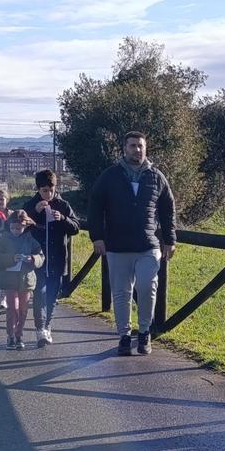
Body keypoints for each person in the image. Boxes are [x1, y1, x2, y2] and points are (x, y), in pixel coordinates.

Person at [87, 130, 176, 356]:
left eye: (140, 146)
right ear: (124, 149)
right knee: (121, 293)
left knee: (147, 287)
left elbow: (168, 209)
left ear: (146, 148)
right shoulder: (110, 176)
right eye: (133, 145)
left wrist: (169, 240)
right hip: (117, 245)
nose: (137, 149)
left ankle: (144, 332)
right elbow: (95, 206)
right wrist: (97, 237)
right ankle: (124, 336)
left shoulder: (156, 176)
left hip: (148, 245)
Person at [24, 169, 79, 347]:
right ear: (38, 189)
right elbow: (18, 226)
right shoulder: (30, 204)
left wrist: (62, 218)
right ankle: (40, 329)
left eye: (51, 190)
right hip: (37, 258)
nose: (48, 194)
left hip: (58, 258)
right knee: (39, 293)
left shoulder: (63, 205)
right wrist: (34, 212)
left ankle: (47, 326)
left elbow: (76, 227)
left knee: (52, 295)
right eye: (44, 191)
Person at [0, 210, 44, 350]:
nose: (15, 231)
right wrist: (11, 258)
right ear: (9, 226)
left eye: (19, 228)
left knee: (23, 310)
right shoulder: (3, 239)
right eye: (13, 228)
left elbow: (41, 256)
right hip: (9, 279)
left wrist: (32, 259)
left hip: (26, 279)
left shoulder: (30, 240)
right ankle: (11, 336)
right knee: (12, 308)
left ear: (25, 226)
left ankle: (19, 335)